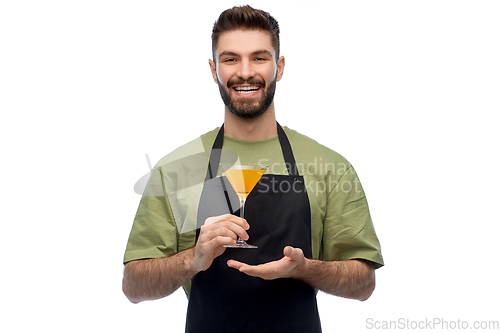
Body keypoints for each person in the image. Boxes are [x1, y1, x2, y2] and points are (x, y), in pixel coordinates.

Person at [123, 5, 384, 332]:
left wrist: (304, 268)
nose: (245, 72)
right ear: (214, 70)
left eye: (259, 58)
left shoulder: (329, 167)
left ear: (280, 66)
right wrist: (194, 259)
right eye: (230, 59)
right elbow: (133, 286)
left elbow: (364, 284)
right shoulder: (180, 167)